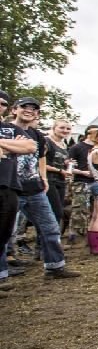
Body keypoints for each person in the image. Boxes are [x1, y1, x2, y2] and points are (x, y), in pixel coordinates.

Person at [10, 97, 80, 279]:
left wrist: (42, 177)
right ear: (14, 110)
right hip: (11, 188)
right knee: (6, 231)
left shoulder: (37, 135)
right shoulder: (5, 130)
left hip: (35, 188)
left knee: (50, 227)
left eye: (34, 108)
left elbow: (40, 156)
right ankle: (3, 272)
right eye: (24, 106)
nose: (29, 110)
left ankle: (55, 267)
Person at [0, 90, 40, 288]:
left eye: (2, 103)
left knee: (4, 232)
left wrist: (3, 146)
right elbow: (20, 147)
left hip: (9, 184)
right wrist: (11, 146)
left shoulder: (9, 128)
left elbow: (30, 147)